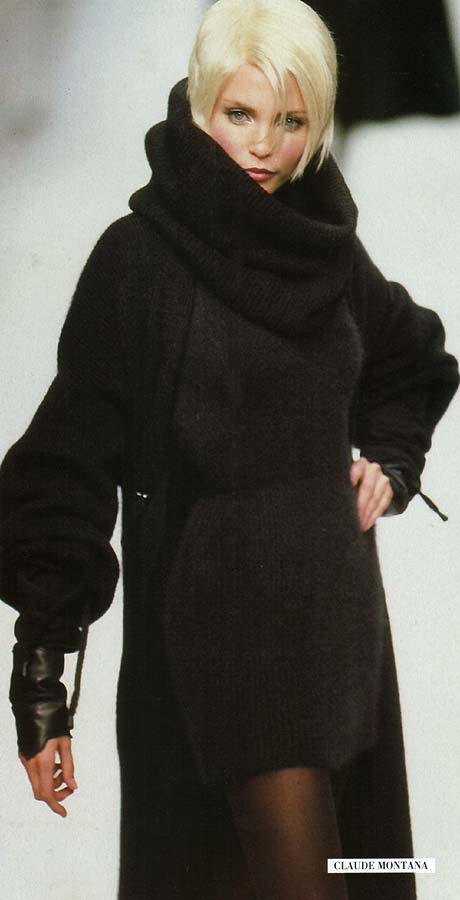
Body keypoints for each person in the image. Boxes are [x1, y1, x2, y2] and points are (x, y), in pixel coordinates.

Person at [0, 1, 458, 898]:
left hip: (337, 627)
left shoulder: (328, 249)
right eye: (240, 114)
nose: (263, 146)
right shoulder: (140, 262)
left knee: (349, 873)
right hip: (221, 640)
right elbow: (62, 471)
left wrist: (394, 464)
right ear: (201, 102)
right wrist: (42, 685)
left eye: (291, 122)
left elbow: (414, 358)